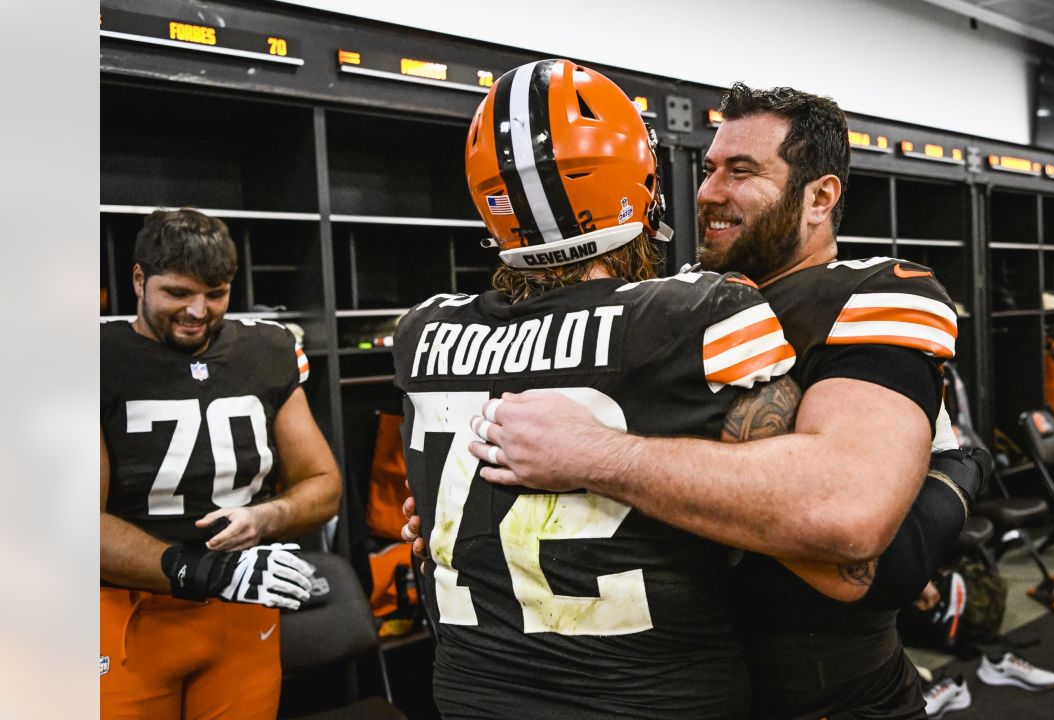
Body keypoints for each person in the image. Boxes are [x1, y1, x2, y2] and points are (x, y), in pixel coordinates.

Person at [461, 83, 979, 719]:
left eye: (741, 172)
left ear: (820, 197)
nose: (708, 192)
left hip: (826, 697)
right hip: (655, 687)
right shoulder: (670, 302)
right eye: (708, 170)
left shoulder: (872, 293)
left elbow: (850, 524)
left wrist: (600, 459)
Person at [391, 58, 825, 719]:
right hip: (652, 695)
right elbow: (800, 507)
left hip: (470, 692)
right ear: (641, 182)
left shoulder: (423, 331)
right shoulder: (700, 311)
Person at [100, 208, 342, 719]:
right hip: (129, 614)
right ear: (139, 279)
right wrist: (205, 570)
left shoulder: (267, 349)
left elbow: (322, 483)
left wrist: (268, 516)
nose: (198, 311)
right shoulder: (92, 358)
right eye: (178, 293)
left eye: (216, 293)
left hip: (240, 610)